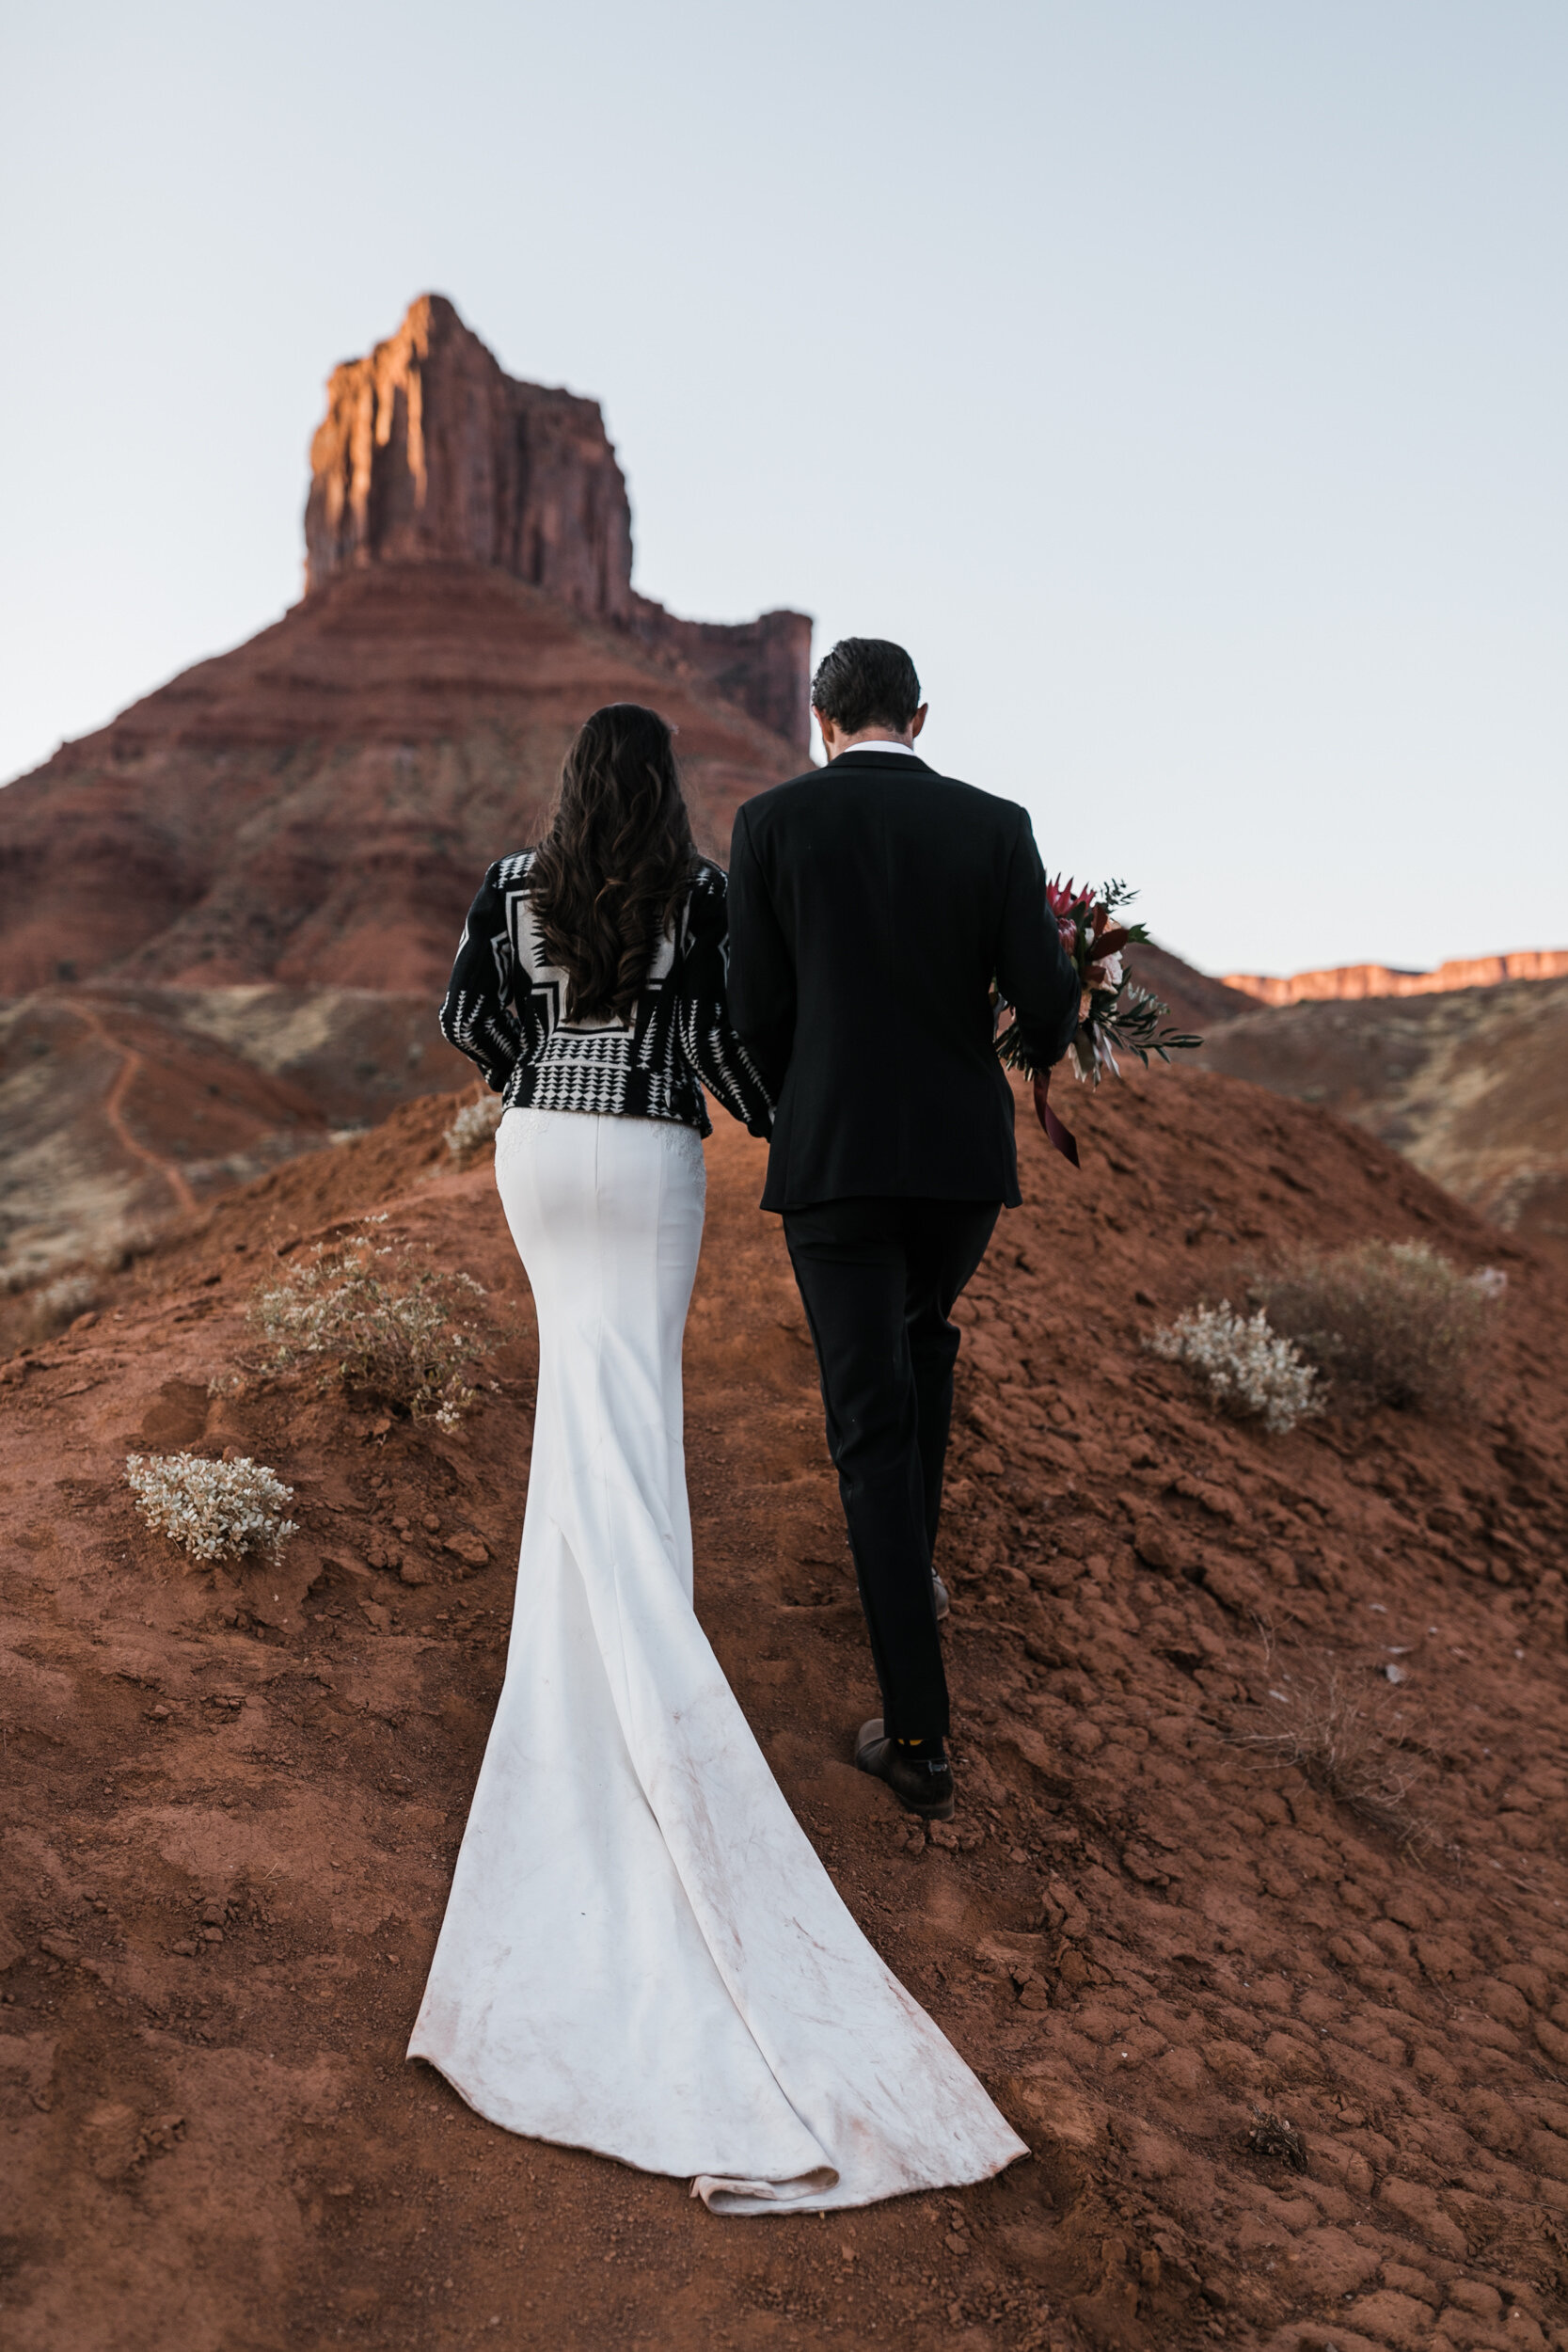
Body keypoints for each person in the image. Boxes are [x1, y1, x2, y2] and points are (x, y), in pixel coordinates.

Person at [409, 702, 1026, 2212]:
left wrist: (534, 1073)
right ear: (666, 788)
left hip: (540, 1156)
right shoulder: (695, 893)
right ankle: (637, 1637)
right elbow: (721, 1043)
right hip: (643, 1156)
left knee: (575, 1392)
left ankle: (582, 1625)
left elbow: (468, 1022)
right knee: (634, 1402)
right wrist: (786, 1116)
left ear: (566, 786)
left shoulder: (506, 883)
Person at [727, 640, 1080, 1822]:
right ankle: (912, 1574)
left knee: (866, 1423)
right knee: (926, 1337)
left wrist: (811, 1094)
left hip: (832, 1160)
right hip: (958, 1160)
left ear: (821, 718)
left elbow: (755, 1010)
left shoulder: (770, 824)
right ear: (917, 717)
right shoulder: (994, 824)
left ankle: (920, 1734)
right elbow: (1046, 999)